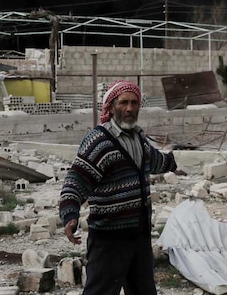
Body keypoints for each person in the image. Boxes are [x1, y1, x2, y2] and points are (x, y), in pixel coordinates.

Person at [59, 79, 181, 295]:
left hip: (139, 236)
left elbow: (156, 161)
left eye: (134, 103)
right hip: (109, 239)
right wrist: (70, 213)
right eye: (124, 102)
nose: (130, 108)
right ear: (112, 106)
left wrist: (176, 162)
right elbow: (76, 180)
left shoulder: (139, 139)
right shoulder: (99, 141)